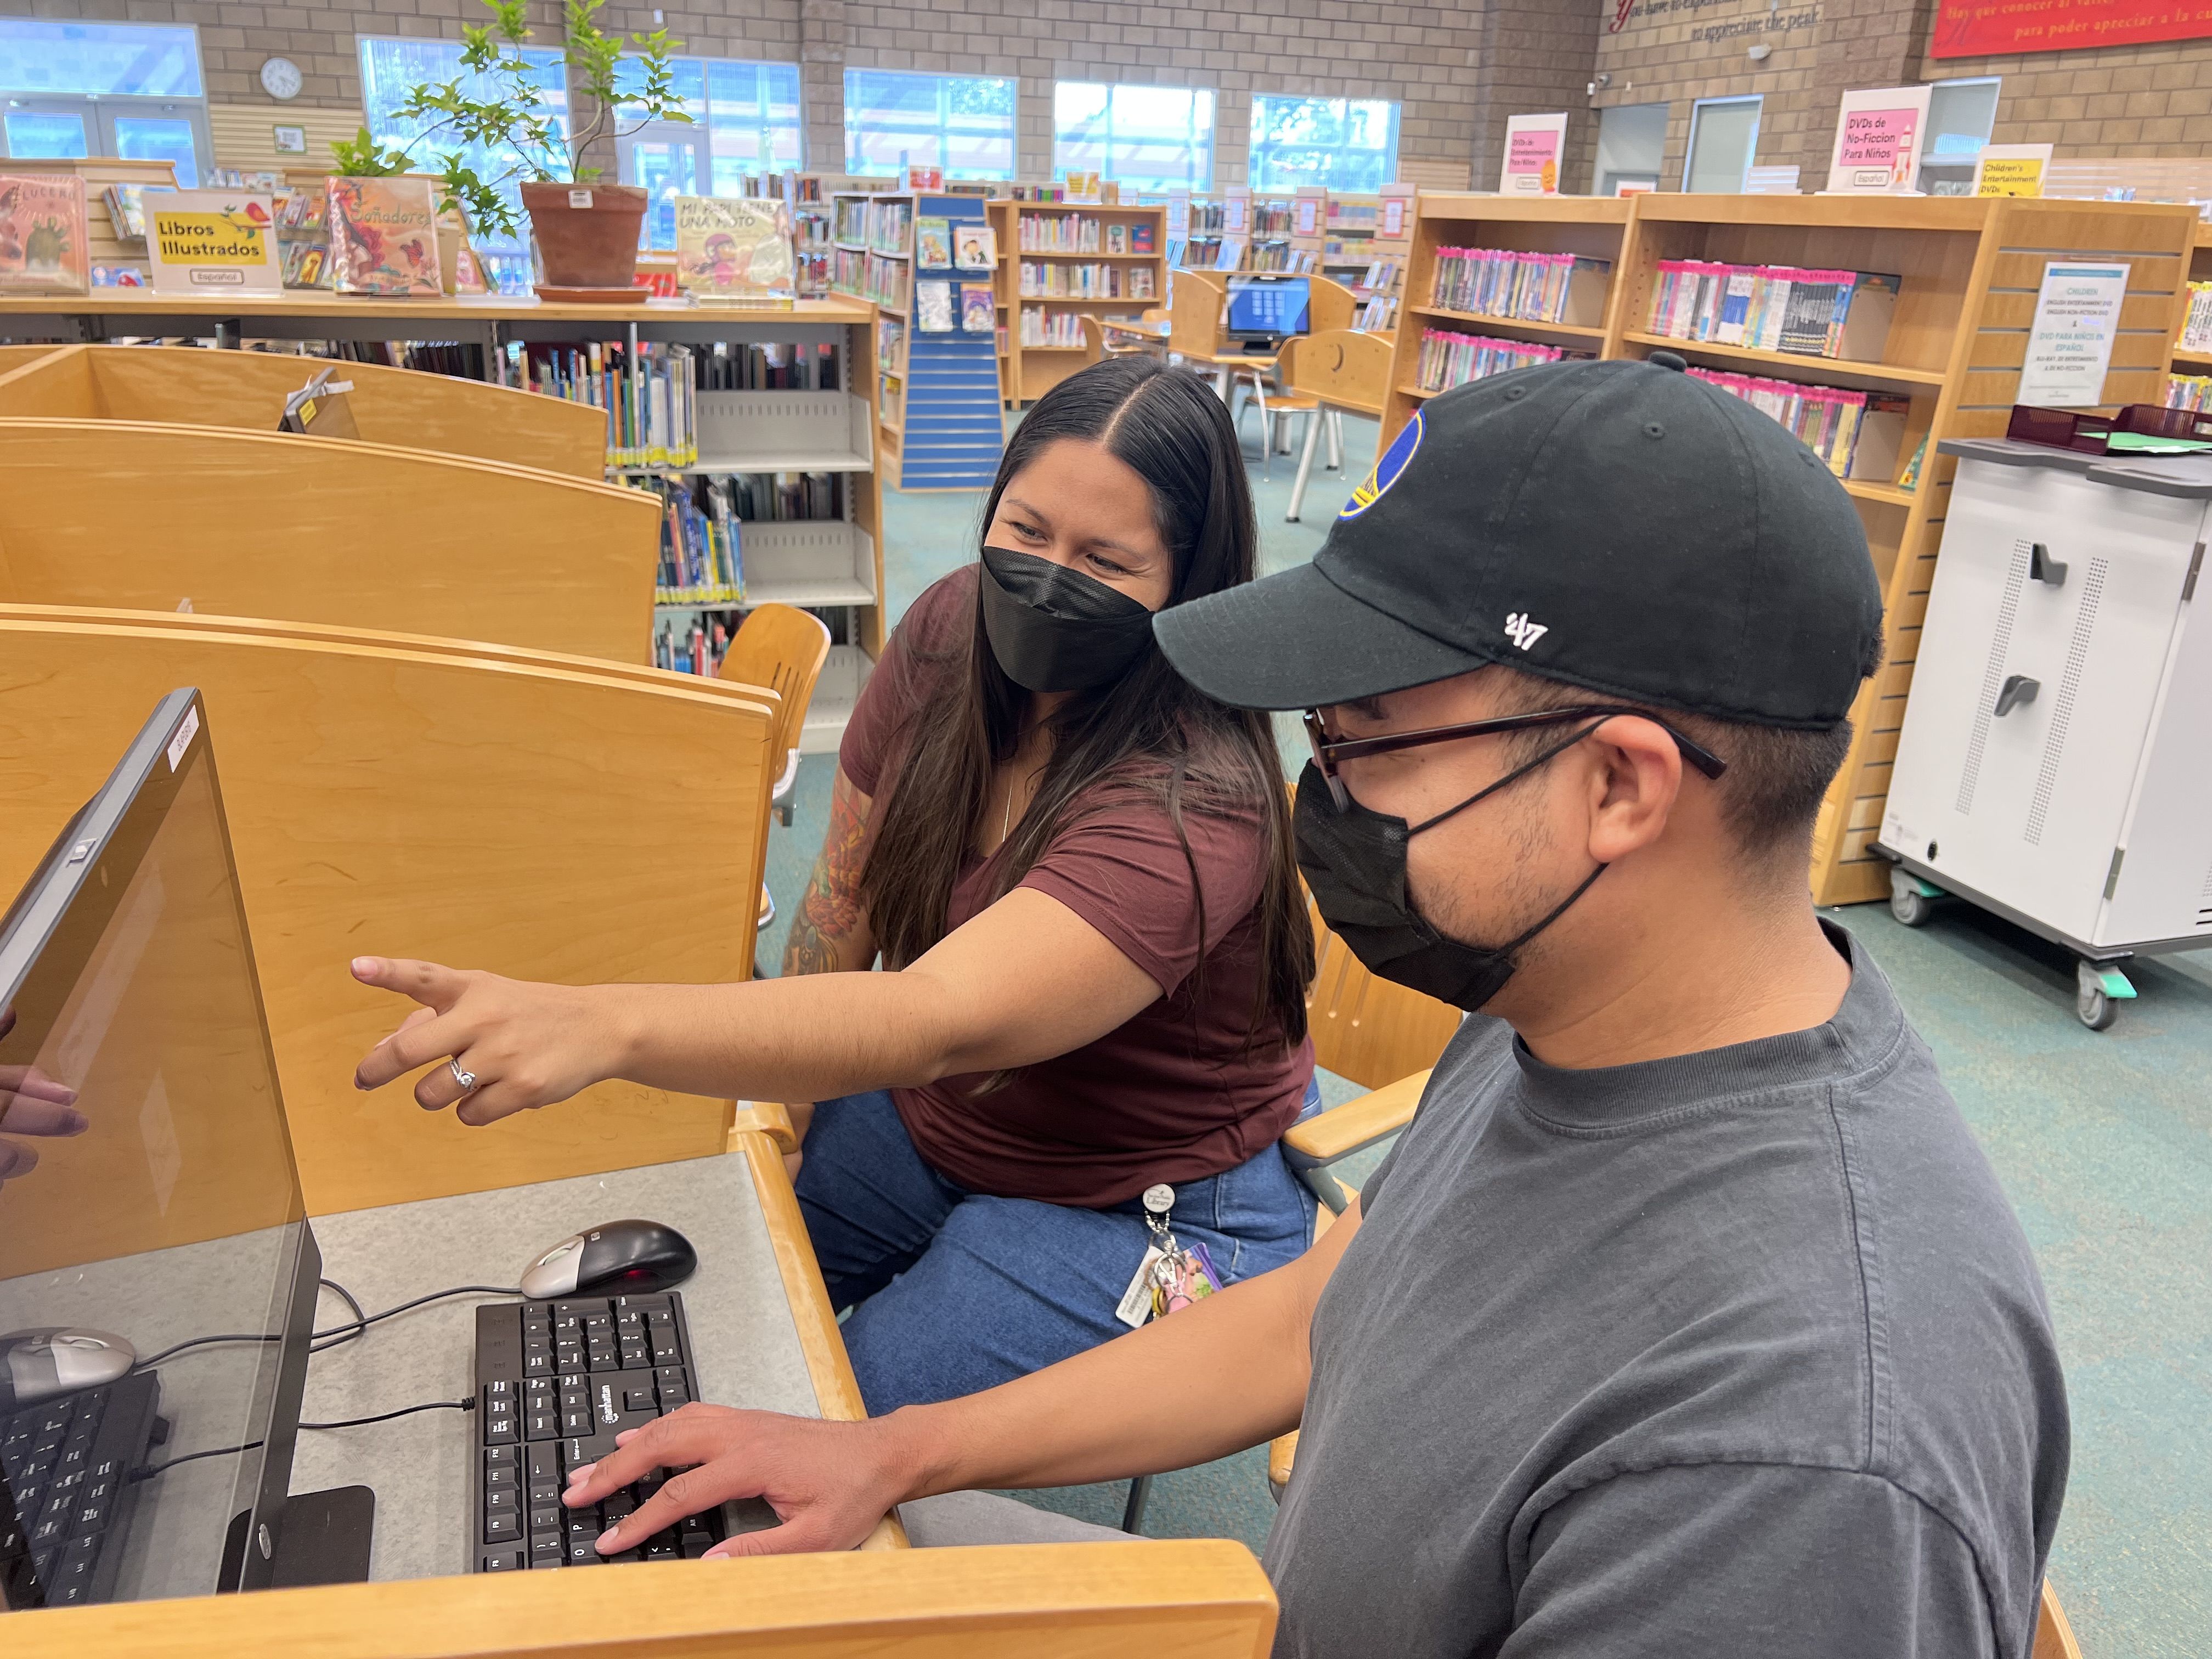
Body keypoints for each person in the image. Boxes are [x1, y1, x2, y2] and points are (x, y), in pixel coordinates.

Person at [549, 356, 2070, 1659]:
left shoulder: (1800, 1461)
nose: (1311, 790)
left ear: (1618, 785)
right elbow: (1345, 1301)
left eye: (1366, 741)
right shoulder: (1575, 1018)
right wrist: (888, 1454)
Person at [350, 355, 1318, 1413]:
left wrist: (606, 1025)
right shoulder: (955, 629)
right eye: (1027, 531)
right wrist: (794, 1109)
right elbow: (844, 893)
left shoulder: (1192, 803)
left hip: (1137, 1202)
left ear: (1192, 586)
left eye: (1107, 561)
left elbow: (939, 1016)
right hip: (935, 1120)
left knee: (813, 1426)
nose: (1047, 577)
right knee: (686, 1307)